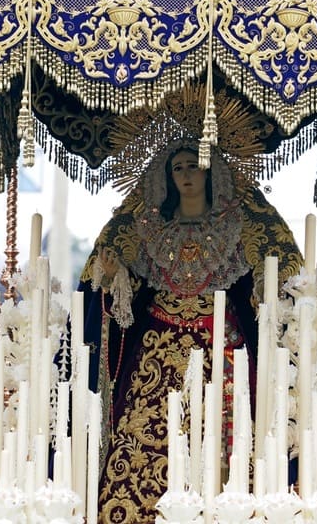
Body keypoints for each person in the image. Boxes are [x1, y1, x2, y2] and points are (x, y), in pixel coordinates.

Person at [74, 137, 302, 522]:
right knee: (141, 433)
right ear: (167, 177)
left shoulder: (236, 227)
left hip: (221, 348)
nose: (186, 175)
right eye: (178, 168)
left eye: (193, 165)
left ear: (210, 173)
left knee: (224, 437)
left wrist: (266, 286)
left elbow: (264, 286)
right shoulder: (149, 229)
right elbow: (121, 309)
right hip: (156, 353)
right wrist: (114, 280)